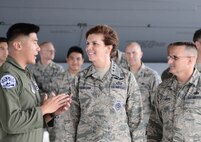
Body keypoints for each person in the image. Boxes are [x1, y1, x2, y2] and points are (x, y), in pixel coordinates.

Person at [54, 25, 145, 142]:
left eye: (94, 44)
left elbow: (136, 120)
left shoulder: (126, 78)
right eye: (87, 43)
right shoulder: (80, 79)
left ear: (108, 48)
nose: (88, 48)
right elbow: (70, 121)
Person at [0, 23, 71, 142]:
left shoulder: (27, 74)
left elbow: (29, 123)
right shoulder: (8, 77)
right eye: (34, 42)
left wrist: (51, 113)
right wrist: (44, 108)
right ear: (18, 45)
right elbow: (11, 123)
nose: (38, 48)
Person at [147, 42, 201, 141]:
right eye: (169, 57)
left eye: (175, 58)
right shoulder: (163, 88)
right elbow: (154, 126)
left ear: (190, 60)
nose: (169, 62)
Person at [125, 42, 161, 129]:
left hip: (144, 129)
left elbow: (158, 105)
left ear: (141, 54)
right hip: (124, 130)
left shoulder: (152, 76)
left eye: (134, 53)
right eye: (128, 53)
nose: (131, 56)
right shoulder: (121, 75)